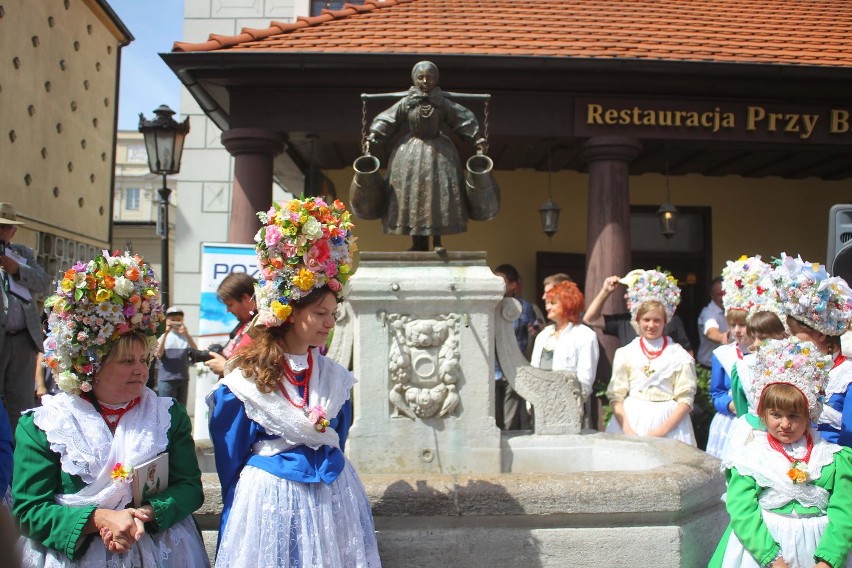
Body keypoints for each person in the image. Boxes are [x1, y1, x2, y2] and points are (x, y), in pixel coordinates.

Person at [207, 197, 379, 567]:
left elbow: (338, 437)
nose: (329, 323)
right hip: (269, 500)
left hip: (332, 496)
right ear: (290, 311)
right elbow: (230, 457)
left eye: (333, 313)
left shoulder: (334, 378)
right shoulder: (244, 381)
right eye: (319, 313)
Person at [12, 251, 209, 566]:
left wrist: (146, 514)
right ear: (92, 366)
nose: (141, 371)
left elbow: (188, 486)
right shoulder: (46, 425)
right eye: (127, 361)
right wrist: (99, 519)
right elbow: (27, 510)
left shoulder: (166, 416)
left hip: (156, 547)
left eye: (144, 360)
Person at [709, 337, 852, 568]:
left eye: (794, 416)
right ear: (764, 415)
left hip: (820, 552)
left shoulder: (833, 458)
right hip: (763, 552)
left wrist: (829, 559)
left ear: (809, 416)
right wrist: (772, 558)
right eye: (776, 415)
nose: (785, 424)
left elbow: (845, 510)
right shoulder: (750, 459)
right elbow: (742, 510)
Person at [366, 60, 487, 252]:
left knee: (437, 194)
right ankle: (417, 243)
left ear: (435, 79)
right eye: (420, 77)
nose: (424, 81)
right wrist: (375, 133)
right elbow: (389, 118)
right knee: (413, 194)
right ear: (414, 79)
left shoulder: (442, 102)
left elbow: (461, 118)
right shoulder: (407, 102)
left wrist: (476, 138)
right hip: (410, 154)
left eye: (429, 77)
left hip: (440, 154)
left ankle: (438, 242)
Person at [605, 270, 698, 446]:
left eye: (657, 320)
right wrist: (628, 431)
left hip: (670, 423)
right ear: (638, 320)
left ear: (665, 321)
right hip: (631, 419)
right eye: (646, 320)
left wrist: (661, 431)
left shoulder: (678, 355)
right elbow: (616, 395)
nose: (651, 325)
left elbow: (685, 398)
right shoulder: (626, 353)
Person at [771, 253, 852, 447]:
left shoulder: (847, 374)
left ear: (822, 335)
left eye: (797, 335)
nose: (792, 341)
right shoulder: (789, 364)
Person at [706, 256, 766, 458]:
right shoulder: (722, 354)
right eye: (733, 325)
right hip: (729, 422)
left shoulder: (767, 353)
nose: (738, 331)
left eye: (743, 325)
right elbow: (716, 393)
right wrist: (730, 404)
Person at [0, 202, 51, 431]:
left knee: (19, 403)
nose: (2, 231)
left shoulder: (22, 253)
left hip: (23, 339)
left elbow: (43, 282)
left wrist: (17, 269)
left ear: (13, 232)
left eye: (6, 227)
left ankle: (15, 455)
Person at [582, 271, 693, 353]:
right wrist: (605, 291)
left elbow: (687, 352)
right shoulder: (624, 321)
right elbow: (590, 319)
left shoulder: (671, 320)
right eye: (646, 320)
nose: (626, 296)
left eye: (632, 292)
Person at [530, 281, 600, 403]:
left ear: (567, 304)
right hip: (541, 402)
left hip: (570, 405)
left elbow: (586, 379)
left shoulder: (585, 336)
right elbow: (534, 370)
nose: (547, 307)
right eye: (547, 303)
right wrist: (531, 402)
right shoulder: (544, 336)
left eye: (553, 303)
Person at [493, 264, 536, 430]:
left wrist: (535, 329)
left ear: (512, 285)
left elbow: (533, 329)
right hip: (492, 369)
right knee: (493, 419)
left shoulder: (524, 307)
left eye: (501, 281)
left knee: (509, 422)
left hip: (514, 368)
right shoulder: (489, 306)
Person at [205, 272, 257, 378]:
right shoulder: (244, 324)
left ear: (246, 299)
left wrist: (226, 368)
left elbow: (264, 370)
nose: (228, 310)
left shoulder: (263, 327)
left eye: (230, 304)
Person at [154, 306, 198, 406]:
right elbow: (158, 354)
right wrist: (165, 333)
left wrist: (187, 334)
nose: (176, 322)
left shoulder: (184, 335)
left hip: (183, 378)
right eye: (172, 320)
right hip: (166, 379)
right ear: (167, 320)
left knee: (181, 410)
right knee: (165, 410)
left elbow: (195, 352)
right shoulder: (162, 335)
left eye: (178, 320)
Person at [697, 276, 729, 369]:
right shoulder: (708, 313)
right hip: (708, 368)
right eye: (720, 294)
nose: (724, 297)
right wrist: (721, 337)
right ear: (712, 295)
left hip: (728, 367)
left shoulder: (733, 310)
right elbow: (711, 332)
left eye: (725, 293)